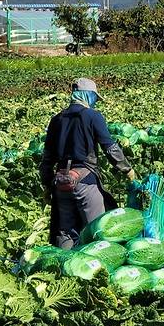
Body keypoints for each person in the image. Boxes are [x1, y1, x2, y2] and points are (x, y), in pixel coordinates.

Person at [39, 78, 136, 249]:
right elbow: (110, 147)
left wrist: (47, 186)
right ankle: (96, 267)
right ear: (88, 95)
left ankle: (63, 268)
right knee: (96, 228)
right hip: (85, 181)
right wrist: (126, 169)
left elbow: (47, 158)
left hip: (61, 182)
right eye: (94, 98)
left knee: (64, 231)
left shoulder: (57, 119)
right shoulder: (92, 116)